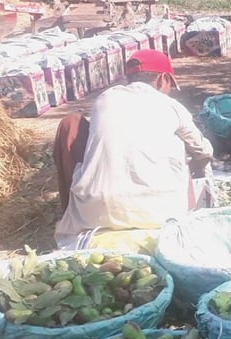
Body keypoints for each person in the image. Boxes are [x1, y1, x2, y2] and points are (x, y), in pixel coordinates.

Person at [53, 49, 214, 250]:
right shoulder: (171, 105)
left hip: (96, 210)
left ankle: (72, 210)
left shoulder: (105, 99)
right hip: (160, 212)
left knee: (71, 124)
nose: (169, 90)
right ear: (162, 79)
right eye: (170, 85)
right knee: (180, 146)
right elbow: (204, 150)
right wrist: (197, 164)